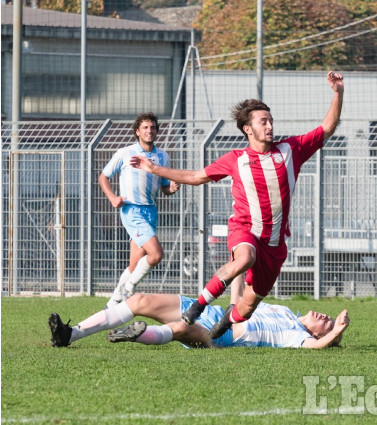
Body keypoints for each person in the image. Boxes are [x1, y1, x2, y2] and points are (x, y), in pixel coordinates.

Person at [129, 71, 344, 339]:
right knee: (245, 257)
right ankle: (199, 305)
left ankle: (227, 322)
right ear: (248, 129)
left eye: (271, 120)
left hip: (275, 245)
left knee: (248, 306)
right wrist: (153, 168)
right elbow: (196, 177)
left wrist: (337, 93)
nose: (270, 126)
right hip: (245, 230)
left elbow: (327, 128)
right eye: (263, 121)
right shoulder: (236, 159)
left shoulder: (291, 149)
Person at [48, 277, 350, 349]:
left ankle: (137, 335)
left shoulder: (296, 335)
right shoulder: (284, 310)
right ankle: (69, 334)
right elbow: (241, 301)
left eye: (325, 323)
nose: (324, 316)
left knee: (181, 330)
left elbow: (314, 347)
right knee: (139, 299)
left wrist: (336, 333)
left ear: (317, 332)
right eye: (327, 317)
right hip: (208, 311)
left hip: (223, 335)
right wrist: (239, 267)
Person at [99, 112, 181, 309]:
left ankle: (113, 304)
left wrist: (171, 188)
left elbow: (164, 187)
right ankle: (128, 290)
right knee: (156, 255)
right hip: (132, 210)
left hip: (151, 211)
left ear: (156, 131)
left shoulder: (162, 156)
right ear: (137, 131)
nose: (149, 131)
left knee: (134, 265)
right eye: (145, 127)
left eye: (152, 127)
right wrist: (112, 198)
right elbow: (103, 176)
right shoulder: (125, 153)